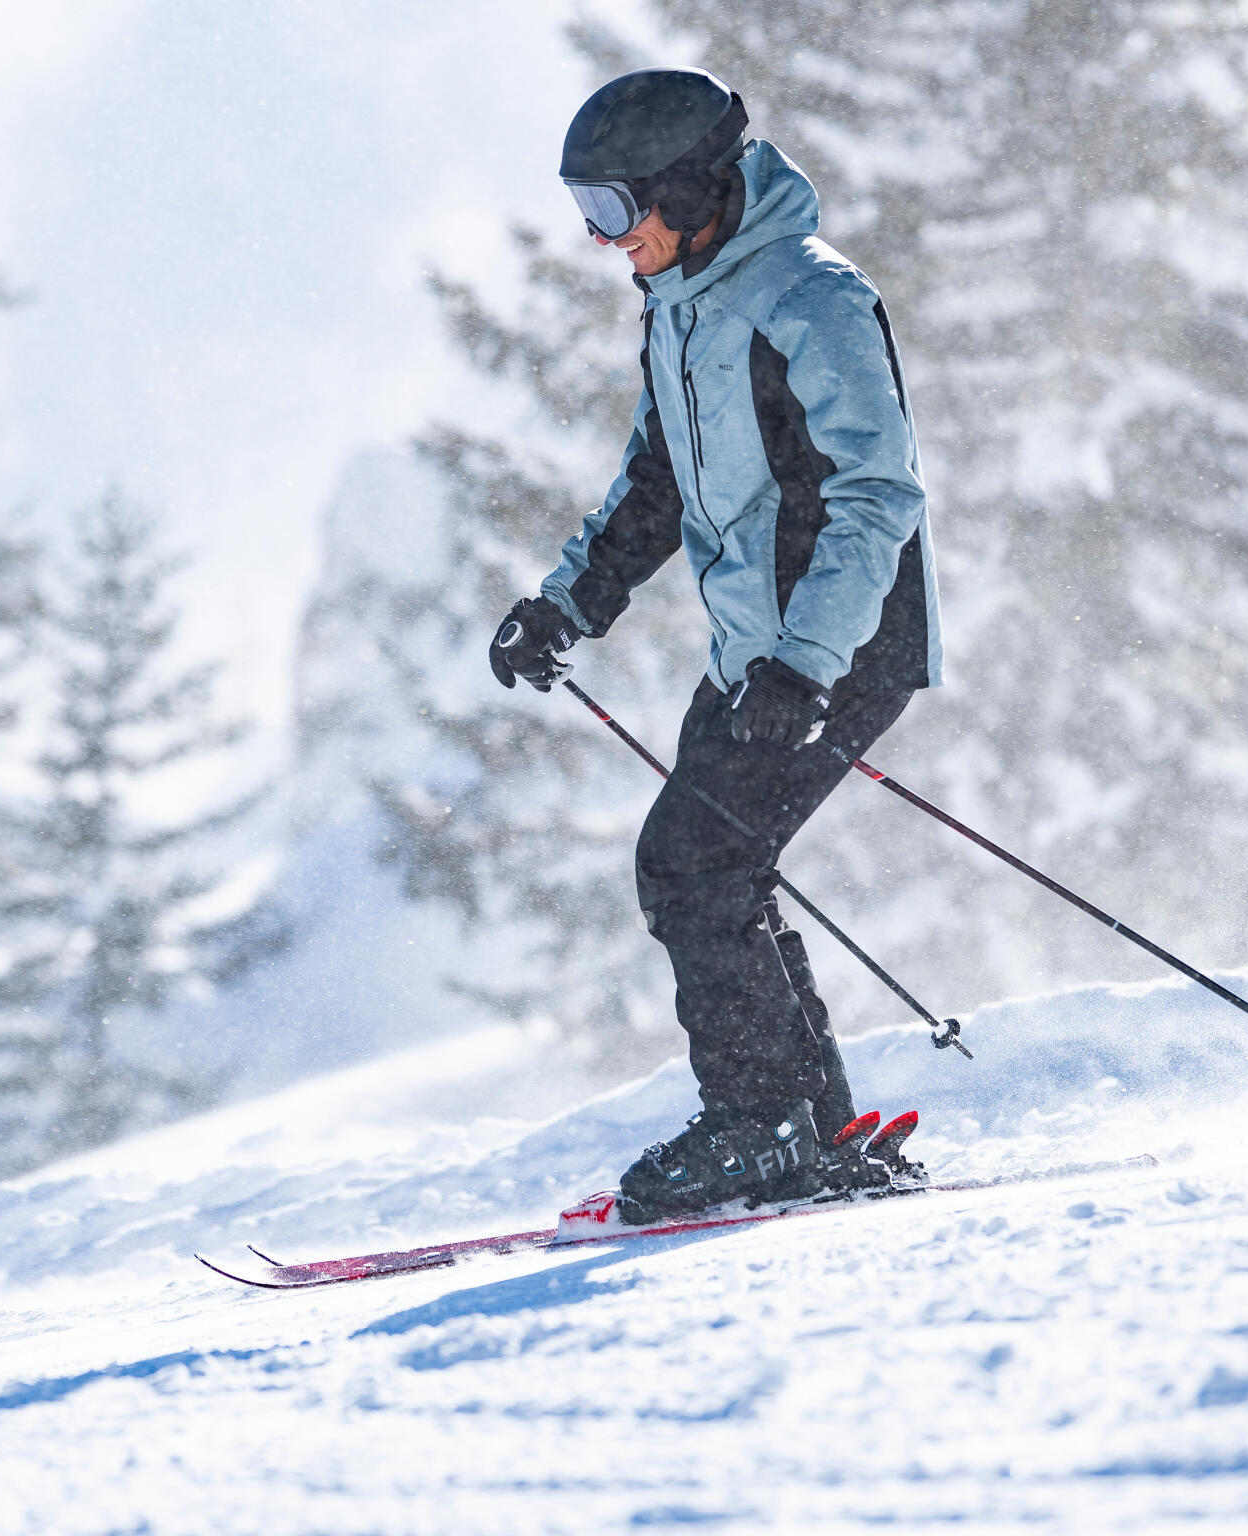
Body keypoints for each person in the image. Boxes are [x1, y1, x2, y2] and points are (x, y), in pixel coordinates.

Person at [489, 67, 944, 1223]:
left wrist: (808, 663)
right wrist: (564, 606)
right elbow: (656, 483)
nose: (603, 242)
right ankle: (812, 1124)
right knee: (710, 870)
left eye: (612, 210)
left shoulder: (812, 300)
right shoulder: (686, 301)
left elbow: (876, 499)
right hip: (761, 652)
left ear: (691, 188)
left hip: (836, 646)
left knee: (690, 866)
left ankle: (759, 1126)